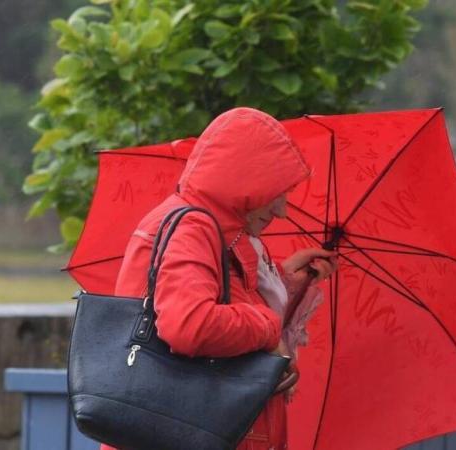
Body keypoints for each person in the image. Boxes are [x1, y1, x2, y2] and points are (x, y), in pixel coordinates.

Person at [101, 107, 338, 450]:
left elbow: (229, 309)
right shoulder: (193, 230)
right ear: (245, 182)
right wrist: (269, 327)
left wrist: (286, 283)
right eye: (275, 191)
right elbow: (191, 324)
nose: (282, 210)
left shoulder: (220, 233)